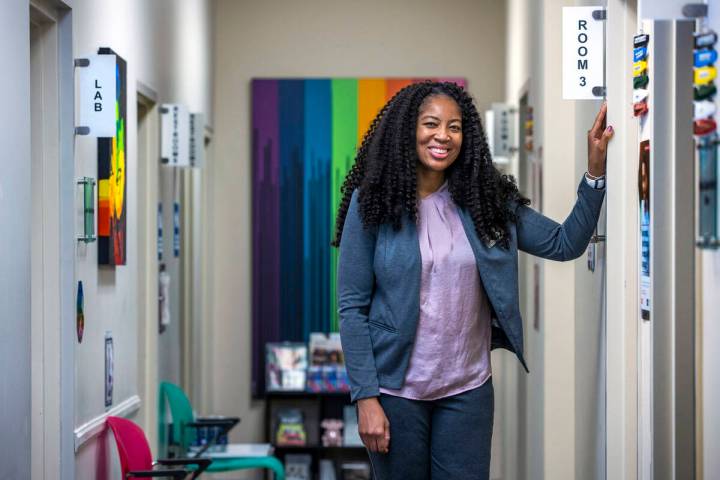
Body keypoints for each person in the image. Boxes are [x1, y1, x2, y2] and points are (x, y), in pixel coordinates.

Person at [332, 81, 612, 479]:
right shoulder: (373, 202)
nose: (443, 136)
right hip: (395, 394)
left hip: (467, 391)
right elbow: (352, 306)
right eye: (431, 124)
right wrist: (366, 398)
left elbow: (564, 243)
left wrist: (595, 174)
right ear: (406, 129)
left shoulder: (486, 202)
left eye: (455, 126)